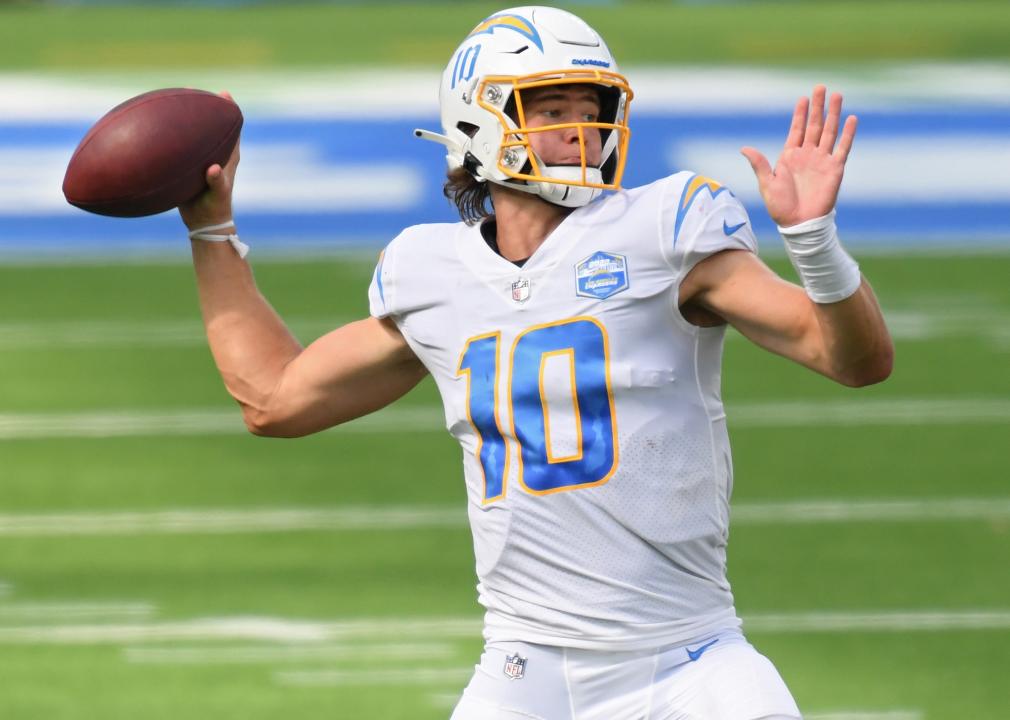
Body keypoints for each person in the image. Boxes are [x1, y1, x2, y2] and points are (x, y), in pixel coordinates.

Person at [179, 6, 892, 719]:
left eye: (593, 106)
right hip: (524, 673)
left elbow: (853, 360)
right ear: (476, 122)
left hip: (690, 662)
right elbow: (273, 400)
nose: (582, 128)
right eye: (551, 108)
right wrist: (211, 229)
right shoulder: (430, 273)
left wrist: (814, 242)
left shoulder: (664, 230)